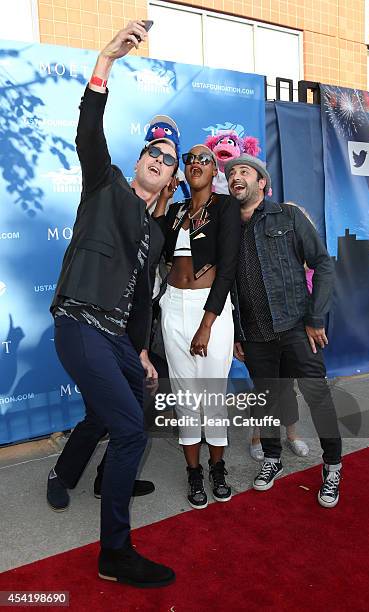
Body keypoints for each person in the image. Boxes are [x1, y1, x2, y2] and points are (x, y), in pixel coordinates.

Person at [47, 22, 177, 587]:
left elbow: (142, 305)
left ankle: (94, 475)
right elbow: (88, 130)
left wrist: (142, 354)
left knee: (121, 409)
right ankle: (114, 553)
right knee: (128, 430)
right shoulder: (105, 184)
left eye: (168, 157)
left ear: (170, 180)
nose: (159, 157)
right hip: (79, 323)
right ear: (140, 159)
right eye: (153, 150)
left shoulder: (154, 236)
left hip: (117, 337)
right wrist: (106, 60)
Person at [226, 154, 342, 508]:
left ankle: (333, 465)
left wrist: (315, 317)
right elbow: (226, 285)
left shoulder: (287, 216)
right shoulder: (227, 227)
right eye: (231, 173)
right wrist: (235, 332)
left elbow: (323, 263)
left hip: (295, 325)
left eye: (244, 171)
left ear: (261, 182)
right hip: (254, 333)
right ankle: (273, 457)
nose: (235, 176)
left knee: (317, 395)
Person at [153, 145, 241, 509]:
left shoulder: (225, 207)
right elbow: (154, 244)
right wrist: (162, 200)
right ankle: (193, 472)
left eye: (204, 159)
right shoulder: (174, 211)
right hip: (174, 306)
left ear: (214, 169)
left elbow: (229, 266)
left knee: (212, 396)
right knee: (185, 396)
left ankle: (217, 467)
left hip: (213, 312)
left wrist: (207, 323)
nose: (195, 164)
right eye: (189, 160)